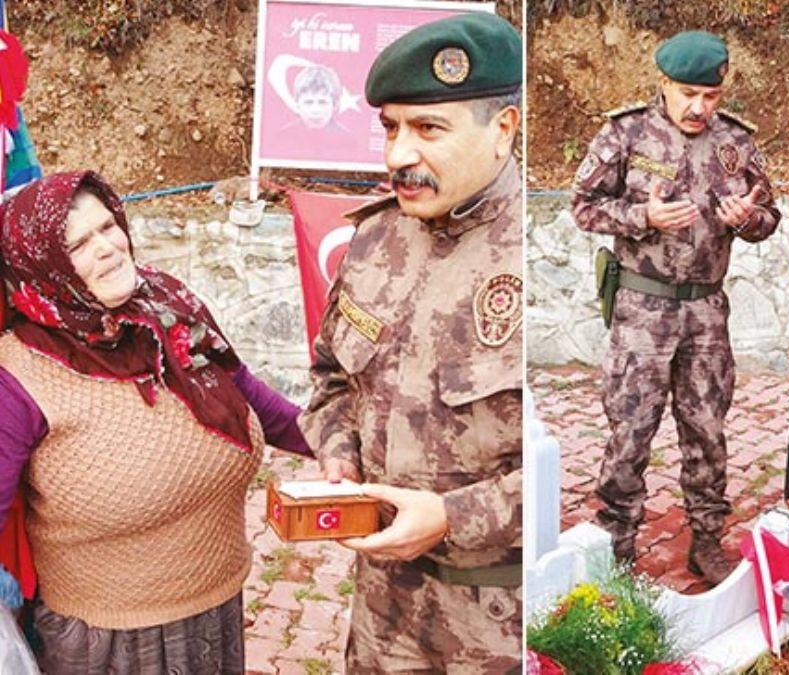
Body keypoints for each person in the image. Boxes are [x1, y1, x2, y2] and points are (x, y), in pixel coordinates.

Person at [0, 170, 311, 673]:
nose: (107, 247)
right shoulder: (18, 377)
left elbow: (247, 394)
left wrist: (344, 443)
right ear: (43, 266)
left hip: (215, 614)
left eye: (107, 226)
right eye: (78, 243)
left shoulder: (169, 309)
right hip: (107, 646)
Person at [297, 12, 523, 672]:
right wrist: (340, 454)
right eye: (390, 127)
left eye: (428, 129)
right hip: (381, 617)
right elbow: (332, 377)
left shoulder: (532, 253)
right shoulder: (375, 238)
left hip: (494, 630)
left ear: (502, 130)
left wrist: (453, 514)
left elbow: (562, 469)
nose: (398, 154)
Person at [571, 30, 780, 584]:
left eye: (709, 96)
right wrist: (644, 217)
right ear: (663, 83)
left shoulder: (735, 142)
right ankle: (616, 540)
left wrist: (748, 221)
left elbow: (769, 214)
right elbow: (583, 206)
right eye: (687, 93)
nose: (698, 107)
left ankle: (707, 539)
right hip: (643, 306)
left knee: (707, 428)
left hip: (707, 311)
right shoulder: (626, 133)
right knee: (631, 428)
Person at [288, 64, 349, 132]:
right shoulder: (283, 137)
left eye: (322, 102)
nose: (315, 110)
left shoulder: (348, 139)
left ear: (335, 104)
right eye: (308, 102)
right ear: (297, 104)